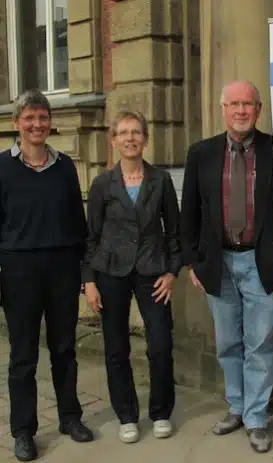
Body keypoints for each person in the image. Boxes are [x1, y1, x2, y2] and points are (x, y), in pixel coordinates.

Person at [180, 80, 273, 453]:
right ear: (223, 108)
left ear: (259, 109)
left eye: (248, 104)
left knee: (260, 343)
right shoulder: (201, 153)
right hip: (218, 263)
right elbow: (188, 213)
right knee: (228, 343)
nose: (241, 111)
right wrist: (193, 260)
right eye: (234, 104)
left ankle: (256, 418)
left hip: (261, 262)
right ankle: (236, 407)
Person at [0, 89, 94, 461]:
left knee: (64, 349)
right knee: (23, 355)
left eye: (42, 117)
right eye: (29, 118)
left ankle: (70, 417)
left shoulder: (65, 167)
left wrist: (84, 273)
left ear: (49, 123)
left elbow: (78, 225)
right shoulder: (2, 167)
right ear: (16, 124)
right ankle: (23, 431)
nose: (37, 124)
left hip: (61, 270)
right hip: (19, 270)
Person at [82, 110, 181, 444]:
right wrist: (90, 281)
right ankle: (126, 414)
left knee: (160, 344)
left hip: (152, 271)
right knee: (116, 347)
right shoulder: (102, 184)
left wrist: (171, 271)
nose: (129, 138)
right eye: (123, 133)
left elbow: (174, 233)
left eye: (136, 132)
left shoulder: (161, 181)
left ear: (145, 138)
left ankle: (161, 412)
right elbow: (90, 237)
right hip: (111, 272)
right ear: (113, 140)